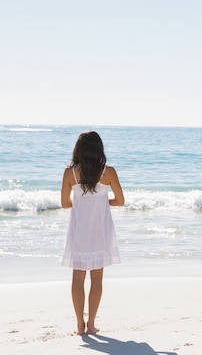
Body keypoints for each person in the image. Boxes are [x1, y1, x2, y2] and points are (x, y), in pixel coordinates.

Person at [61, 131, 125, 335]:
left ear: (78, 149)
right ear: (99, 148)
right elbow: (120, 201)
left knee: (77, 278)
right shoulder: (109, 172)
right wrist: (101, 202)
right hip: (100, 230)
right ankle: (92, 325)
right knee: (97, 279)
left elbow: (64, 204)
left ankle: (79, 325)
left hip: (79, 230)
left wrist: (82, 203)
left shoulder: (70, 173)